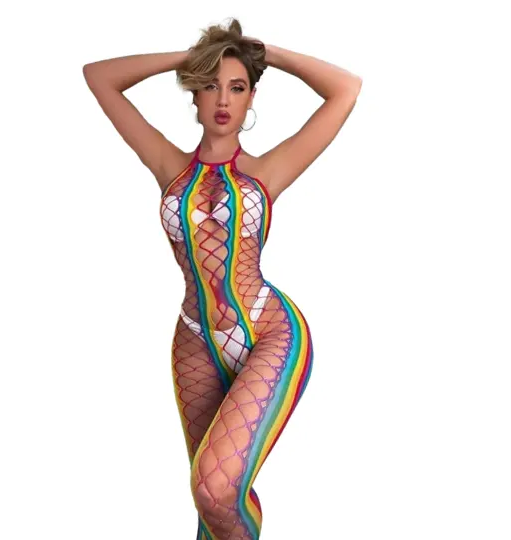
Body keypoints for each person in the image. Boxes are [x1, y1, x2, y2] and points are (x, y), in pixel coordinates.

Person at [83, 17, 361, 540]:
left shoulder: (268, 171)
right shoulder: (168, 165)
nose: (223, 99)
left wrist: (263, 53)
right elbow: (98, 76)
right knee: (207, 502)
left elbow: (345, 89)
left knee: (217, 488)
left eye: (237, 87)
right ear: (193, 94)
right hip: (194, 338)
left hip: (268, 330)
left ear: (252, 97)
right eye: (210, 85)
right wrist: (191, 57)